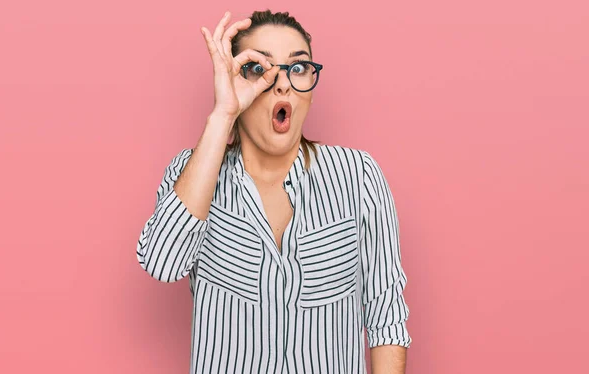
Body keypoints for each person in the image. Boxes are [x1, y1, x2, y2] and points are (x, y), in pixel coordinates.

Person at [136, 9, 412, 374]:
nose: (282, 84)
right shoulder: (193, 175)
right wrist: (223, 114)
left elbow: (386, 316)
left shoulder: (358, 177)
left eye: (298, 68)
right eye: (259, 69)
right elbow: (161, 262)